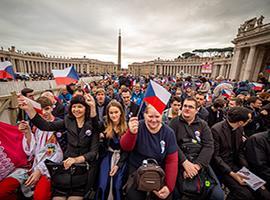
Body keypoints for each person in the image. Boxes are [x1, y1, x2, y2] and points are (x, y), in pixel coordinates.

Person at [17, 94, 99, 200]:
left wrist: (75, 160)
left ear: (86, 108)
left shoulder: (92, 124)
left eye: (80, 106)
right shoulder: (68, 121)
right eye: (74, 106)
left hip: (84, 170)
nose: (76, 110)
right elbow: (46, 126)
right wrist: (29, 109)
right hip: (66, 169)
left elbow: (93, 153)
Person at [0, 96, 63, 200]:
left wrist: (39, 170)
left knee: (40, 196)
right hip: (32, 167)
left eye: (47, 109)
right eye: (40, 110)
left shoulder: (59, 125)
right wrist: (28, 133)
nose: (44, 113)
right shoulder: (36, 127)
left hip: (49, 169)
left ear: (52, 108)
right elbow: (31, 151)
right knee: (3, 189)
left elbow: (56, 154)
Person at [169, 97, 224, 200]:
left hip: (199, 163)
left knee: (218, 195)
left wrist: (197, 166)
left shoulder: (203, 125)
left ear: (197, 110)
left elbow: (209, 146)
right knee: (176, 193)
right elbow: (172, 144)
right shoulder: (174, 123)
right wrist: (185, 163)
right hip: (180, 161)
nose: (187, 109)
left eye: (191, 107)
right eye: (185, 106)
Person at [120, 104, 178, 200]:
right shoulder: (137, 126)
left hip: (158, 173)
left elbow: (172, 161)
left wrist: (169, 187)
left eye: (157, 116)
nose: (154, 120)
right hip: (136, 172)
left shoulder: (169, 133)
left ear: (162, 115)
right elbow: (125, 147)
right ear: (144, 114)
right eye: (150, 116)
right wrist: (131, 133)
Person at [211, 107, 270, 200]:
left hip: (237, 165)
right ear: (241, 122)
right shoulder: (216, 130)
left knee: (263, 192)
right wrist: (233, 174)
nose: (250, 121)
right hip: (222, 168)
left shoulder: (240, 128)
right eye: (249, 120)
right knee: (244, 194)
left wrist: (247, 170)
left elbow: (240, 151)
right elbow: (216, 157)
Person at [96, 100, 128, 200]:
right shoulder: (104, 125)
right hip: (107, 156)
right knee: (103, 184)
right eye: (111, 113)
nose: (114, 115)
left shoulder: (127, 127)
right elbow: (93, 124)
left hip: (122, 158)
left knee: (117, 186)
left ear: (121, 113)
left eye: (116, 112)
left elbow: (128, 150)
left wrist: (118, 165)